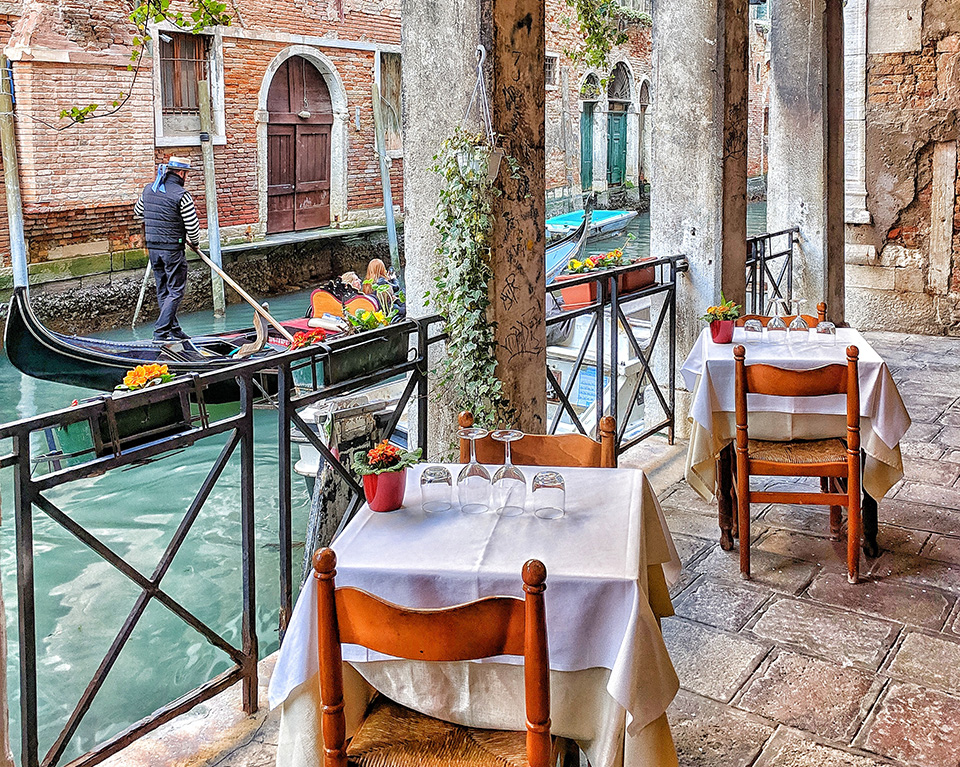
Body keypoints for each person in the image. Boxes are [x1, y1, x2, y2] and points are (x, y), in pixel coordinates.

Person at [134, 156, 201, 342]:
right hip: (172, 249)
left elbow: (139, 211)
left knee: (163, 289)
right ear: (181, 173)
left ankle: (174, 330)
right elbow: (192, 226)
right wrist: (195, 243)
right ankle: (160, 333)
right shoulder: (182, 195)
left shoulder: (149, 189)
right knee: (176, 290)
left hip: (153, 248)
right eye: (186, 173)